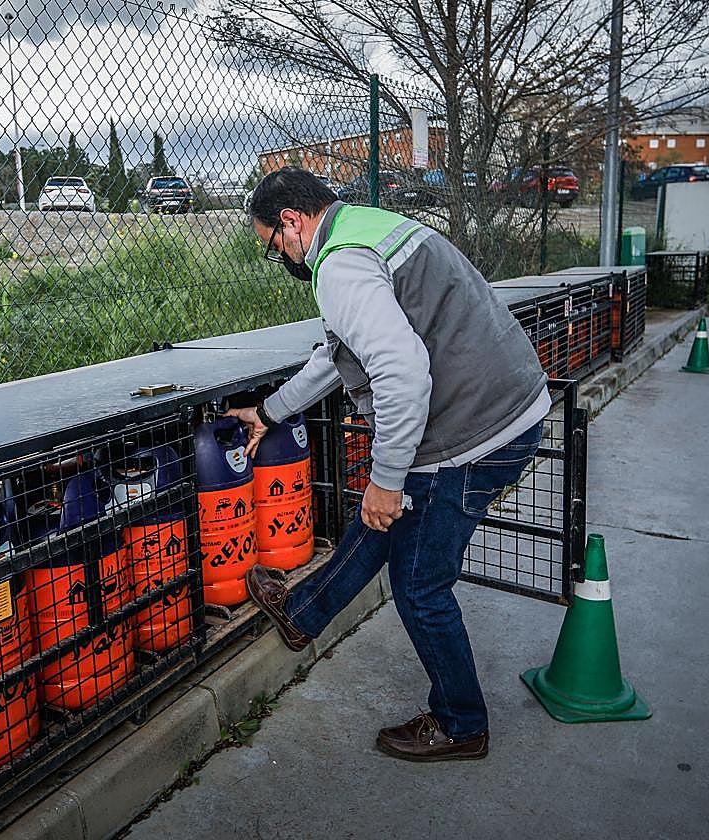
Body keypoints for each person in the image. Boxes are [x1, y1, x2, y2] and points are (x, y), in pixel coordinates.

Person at [227, 167, 548, 762]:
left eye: (273, 244)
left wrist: (387, 478)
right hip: (505, 408)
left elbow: (400, 371)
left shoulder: (341, 263)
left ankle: (461, 723)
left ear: (291, 222)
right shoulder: (367, 229)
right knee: (388, 522)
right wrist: (271, 412)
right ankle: (302, 612)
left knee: (419, 585)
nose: (280, 256)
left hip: (472, 432)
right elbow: (341, 354)